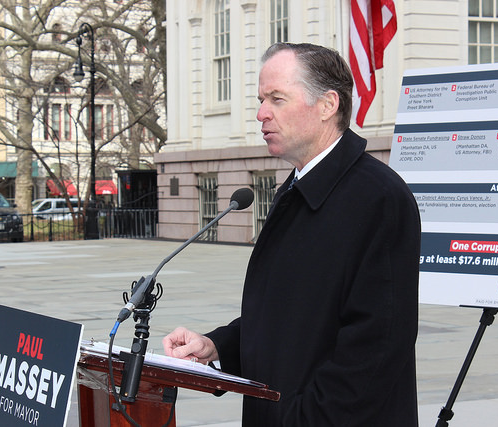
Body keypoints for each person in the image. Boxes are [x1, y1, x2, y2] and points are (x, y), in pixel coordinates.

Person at [163, 42, 421, 426]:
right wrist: (217, 347)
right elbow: (287, 316)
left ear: (327, 105)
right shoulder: (297, 186)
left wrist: (302, 417)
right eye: (261, 99)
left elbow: (376, 346)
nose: (261, 113)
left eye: (277, 99)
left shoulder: (377, 197)